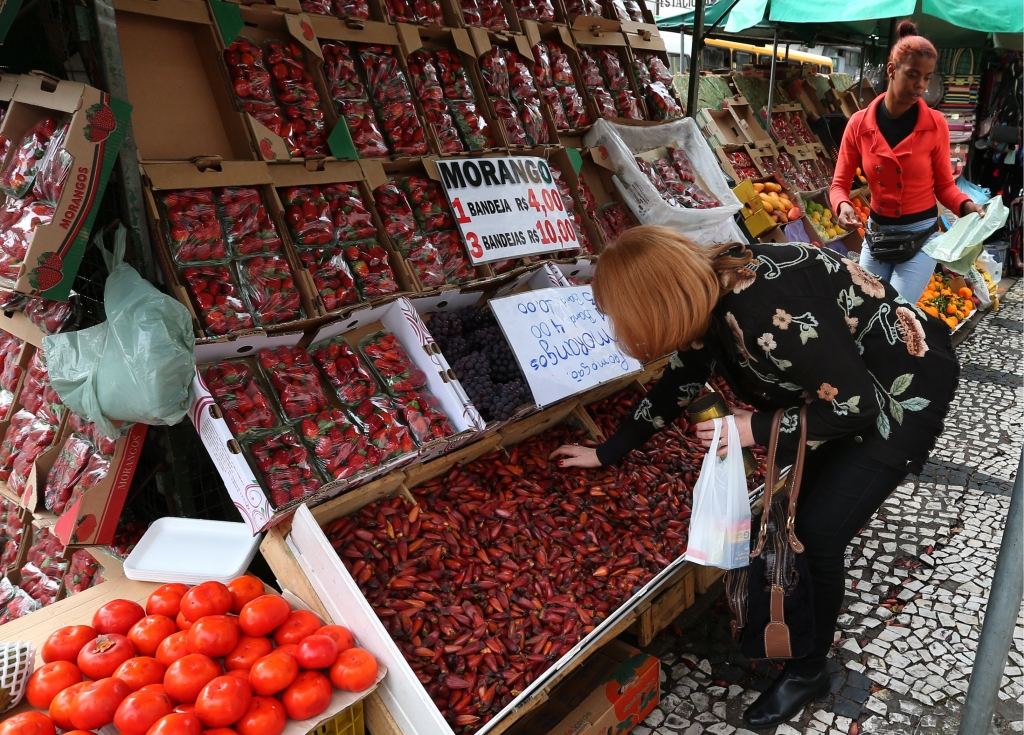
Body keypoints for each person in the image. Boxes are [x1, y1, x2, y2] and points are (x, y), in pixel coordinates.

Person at [551, 226, 959, 728]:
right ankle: (795, 630)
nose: (618, 326)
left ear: (655, 303)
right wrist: (607, 451)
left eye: (619, 314)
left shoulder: (764, 308)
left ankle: (809, 670)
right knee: (798, 524)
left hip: (899, 391)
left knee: (817, 534)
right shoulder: (705, 295)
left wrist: (755, 427)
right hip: (839, 393)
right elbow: (681, 380)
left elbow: (855, 406)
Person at [831, 20, 985, 304]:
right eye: (913, 74)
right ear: (892, 70)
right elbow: (839, 184)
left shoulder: (936, 124)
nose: (921, 86)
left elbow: (945, 186)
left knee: (897, 315)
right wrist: (842, 205)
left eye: (927, 77)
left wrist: (966, 206)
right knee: (866, 310)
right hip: (876, 238)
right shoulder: (858, 124)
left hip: (921, 239)